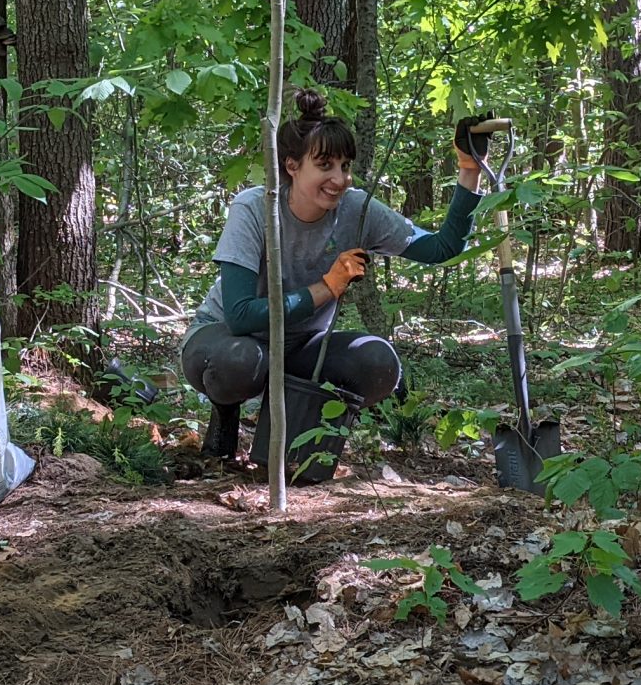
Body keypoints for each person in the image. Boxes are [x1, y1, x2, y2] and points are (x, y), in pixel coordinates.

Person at [181, 89, 486, 459]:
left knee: (377, 362)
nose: (339, 179)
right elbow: (241, 315)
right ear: (292, 166)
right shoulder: (254, 209)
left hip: (304, 345)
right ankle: (225, 414)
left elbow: (443, 248)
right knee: (241, 361)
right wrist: (327, 287)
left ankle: (293, 432)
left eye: (345, 165)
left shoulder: (357, 209)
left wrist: (470, 169)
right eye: (324, 165)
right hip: (229, 339)